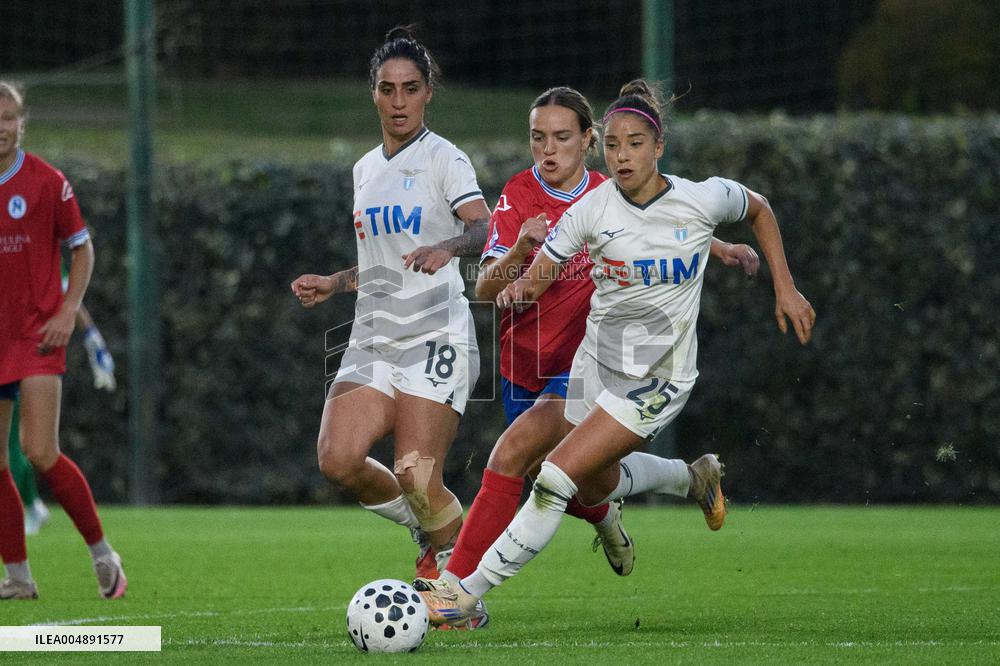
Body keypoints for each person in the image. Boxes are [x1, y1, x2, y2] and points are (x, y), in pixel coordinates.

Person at [415, 80, 815, 626]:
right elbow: (533, 277)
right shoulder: (588, 208)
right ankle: (690, 479)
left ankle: (461, 594)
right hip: (592, 364)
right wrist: (518, 282)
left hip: (658, 376)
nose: (622, 155)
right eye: (614, 145)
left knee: (551, 474)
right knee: (593, 483)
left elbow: (756, 208)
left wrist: (783, 287)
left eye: (634, 144)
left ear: (658, 147)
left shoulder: (701, 197)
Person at [289, 27, 491, 613]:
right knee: (338, 458)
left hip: (436, 333)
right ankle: (429, 530)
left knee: (416, 473)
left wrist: (447, 248)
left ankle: (462, 593)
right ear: (373, 94)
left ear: (428, 93)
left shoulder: (444, 157)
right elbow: (383, 260)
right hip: (373, 333)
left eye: (410, 88)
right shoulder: (364, 169)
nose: (399, 101)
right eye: (387, 89)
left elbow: (484, 227)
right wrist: (335, 282)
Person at [0, 80, 127, 600]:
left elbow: (82, 249)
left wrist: (69, 310)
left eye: (8, 118)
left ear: (22, 123)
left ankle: (103, 555)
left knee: (39, 451)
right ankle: (18, 578)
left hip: (37, 334)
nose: (1, 128)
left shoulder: (47, 181)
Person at [8, 302, 116, 536]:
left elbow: (68, 294)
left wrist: (92, 337)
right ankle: (32, 507)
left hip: (25, 353)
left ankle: (99, 548)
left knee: (23, 447)